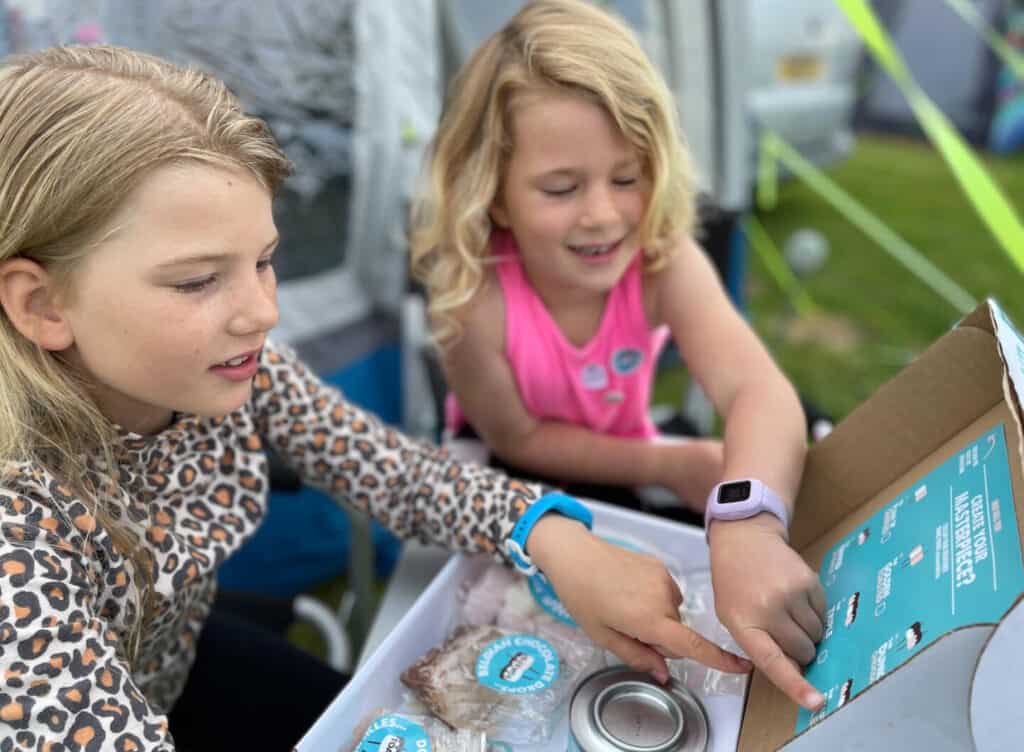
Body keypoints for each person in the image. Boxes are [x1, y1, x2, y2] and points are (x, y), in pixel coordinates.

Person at [0, 44, 751, 750]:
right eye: (198, 280)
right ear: (42, 306)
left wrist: (552, 538)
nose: (263, 312)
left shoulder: (213, 364)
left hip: (170, 663)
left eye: (263, 261)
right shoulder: (17, 540)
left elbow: (388, 468)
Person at [410, 0, 827, 713]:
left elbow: (758, 387)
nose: (603, 214)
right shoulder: (473, 300)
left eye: (627, 177)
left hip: (622, 455)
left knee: (803, 446)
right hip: (512, 484)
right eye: (562, 188)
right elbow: (520, 439)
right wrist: (670, 462)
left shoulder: (663, 260)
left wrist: (746, 521)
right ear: (496, 195)